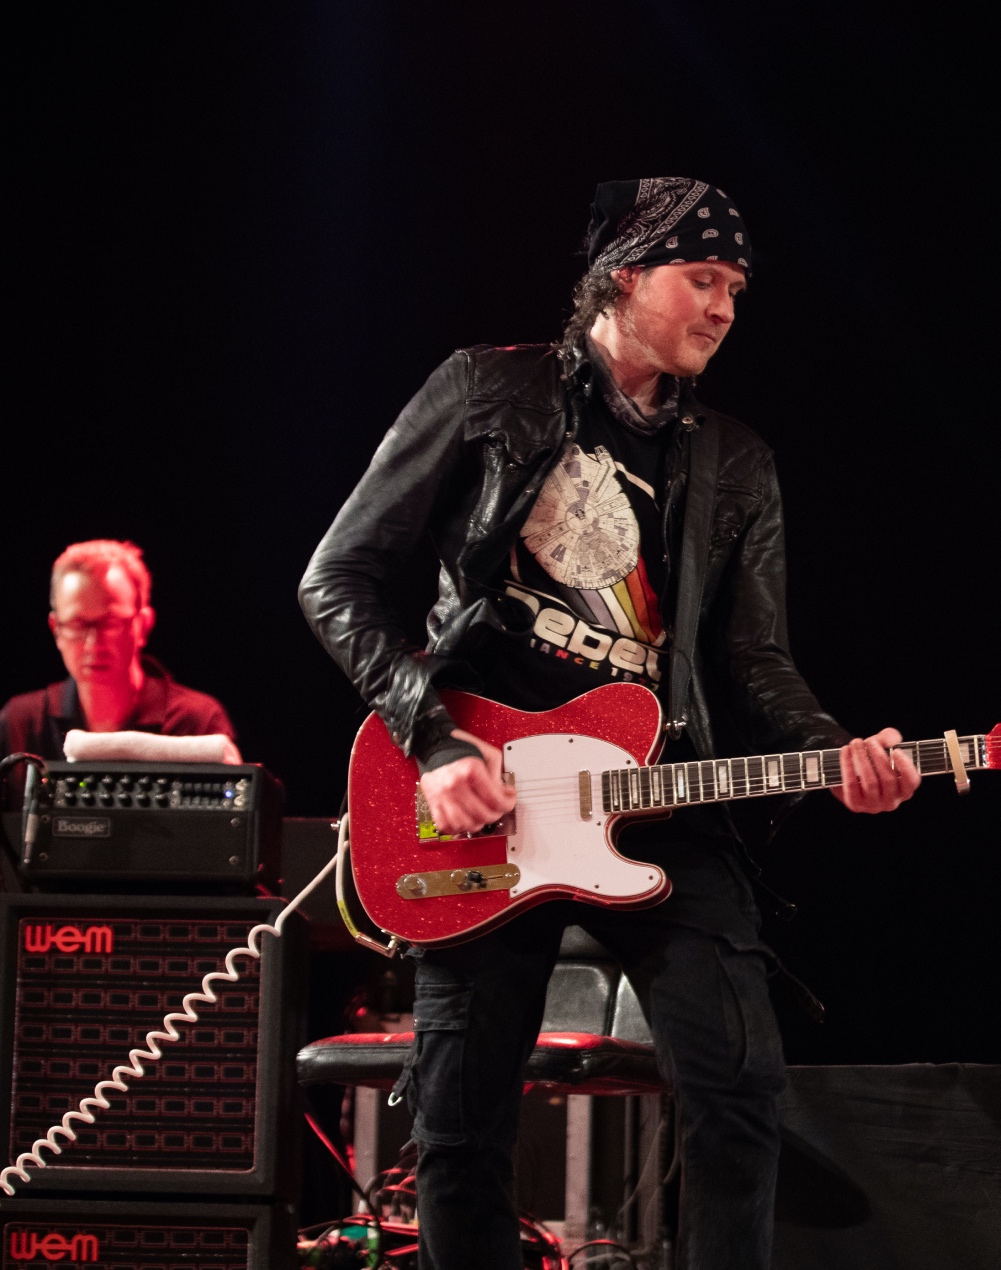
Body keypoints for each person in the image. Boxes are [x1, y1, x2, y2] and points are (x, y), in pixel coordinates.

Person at [299, 176, 920, 1269]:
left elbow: (755, 662)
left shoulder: (735, 460)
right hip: (486, 801)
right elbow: (336, 579)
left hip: (660, 797)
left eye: (736, 289)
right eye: (703, 279)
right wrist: (433, 739)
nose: (724, 309)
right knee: (459, 1127)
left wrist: (835, 751)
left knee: (740, 1087)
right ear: (624, 274)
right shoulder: (487, 390)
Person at [2, 539, 235, 758]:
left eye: (111, 623)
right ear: (56, 630)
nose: (93, 643)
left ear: (143, 625)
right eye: (77, 624)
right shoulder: (20, 723)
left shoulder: (198, 723)